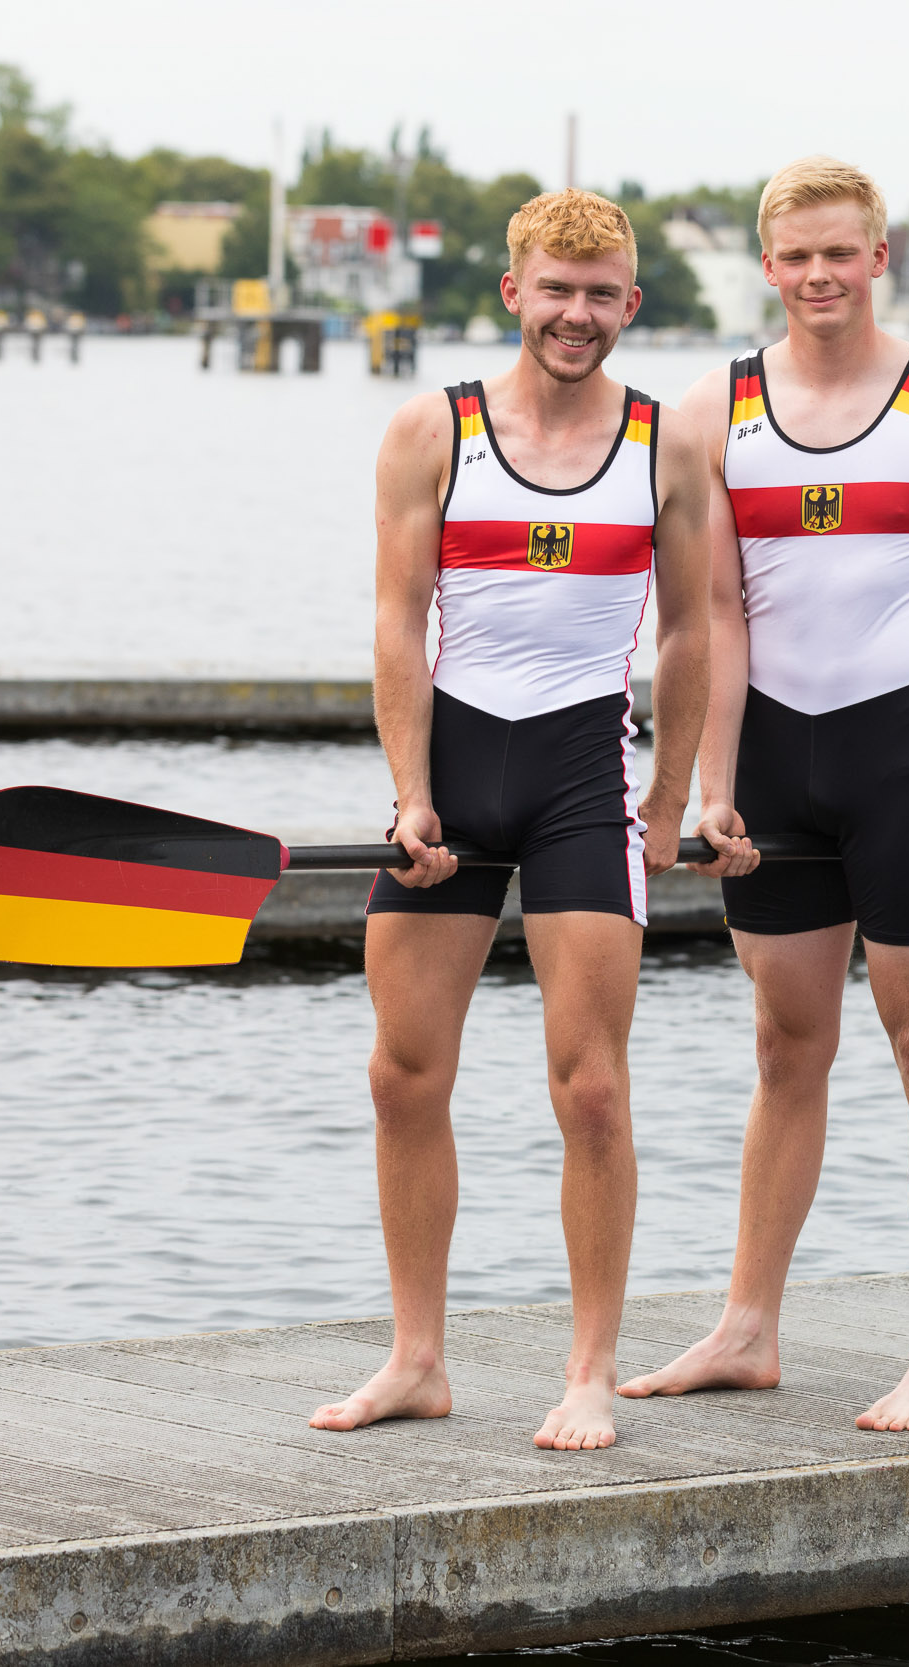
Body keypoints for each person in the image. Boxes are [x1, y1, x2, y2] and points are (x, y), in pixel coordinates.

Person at [308, 189, 712, 1450]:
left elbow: (698, 628)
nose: (576, 315)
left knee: (590, 1089)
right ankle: (417, 1358)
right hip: (455, 776)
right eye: (556, 290)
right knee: (401, 1073)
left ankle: (589, 1367)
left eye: (601, 295)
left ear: (629, 305)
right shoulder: (432, 430)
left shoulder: (666, 446)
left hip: (586, 782)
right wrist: (411, 790)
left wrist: (667, 799)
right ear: (513, 293)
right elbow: (396, 620)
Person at [618, 156, 909, 1431]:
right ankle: (747, 1325)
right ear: (768, 266)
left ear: (878, 258)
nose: (820, 276)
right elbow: (715, 612)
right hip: (778, 758)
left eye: (842, 253)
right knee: (786, 1045)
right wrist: (709, 786)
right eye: (796, 257)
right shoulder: (707, 410)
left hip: (905, 750)